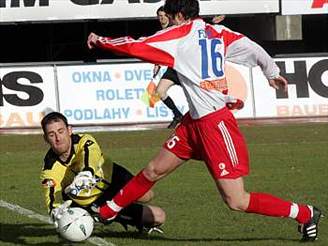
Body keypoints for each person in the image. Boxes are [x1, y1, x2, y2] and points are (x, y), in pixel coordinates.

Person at [87, 0, 322, 242]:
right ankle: (106, 211)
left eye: (168, 15)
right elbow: (253, 48)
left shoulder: (177, 35)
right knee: (153, 169)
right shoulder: (218, 32)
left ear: (179, 15)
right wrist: (271, 73)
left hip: (215, 125)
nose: (165, 20)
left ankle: (305, 213)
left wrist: (99, 40)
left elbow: (136, 45)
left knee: (236, 200)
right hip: (193, 124)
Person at [40, 111, 165, 233]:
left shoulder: (85, 140)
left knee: (147, 195)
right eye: (52, 134)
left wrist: (86, 173)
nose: (58, 138)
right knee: (159, 216)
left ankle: (118, 208)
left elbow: (91, 155)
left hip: (114, 176)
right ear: (46, 138)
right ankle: (108, 215)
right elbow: (51, 193)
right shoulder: (50, 168)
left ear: (69, 130)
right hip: (94, 201)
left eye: (61, 131)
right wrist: (53, 209)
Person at [153, 6, 184, 128]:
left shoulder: (175, 29)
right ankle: (178, 115)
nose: (162, 18)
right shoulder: (159, 33)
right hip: (172, 69)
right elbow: (160, 51)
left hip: (183, 68)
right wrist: (157, 64)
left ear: (169, 16)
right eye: (159, 16)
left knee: (195, 94)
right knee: (159, 91)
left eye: (164, 15)